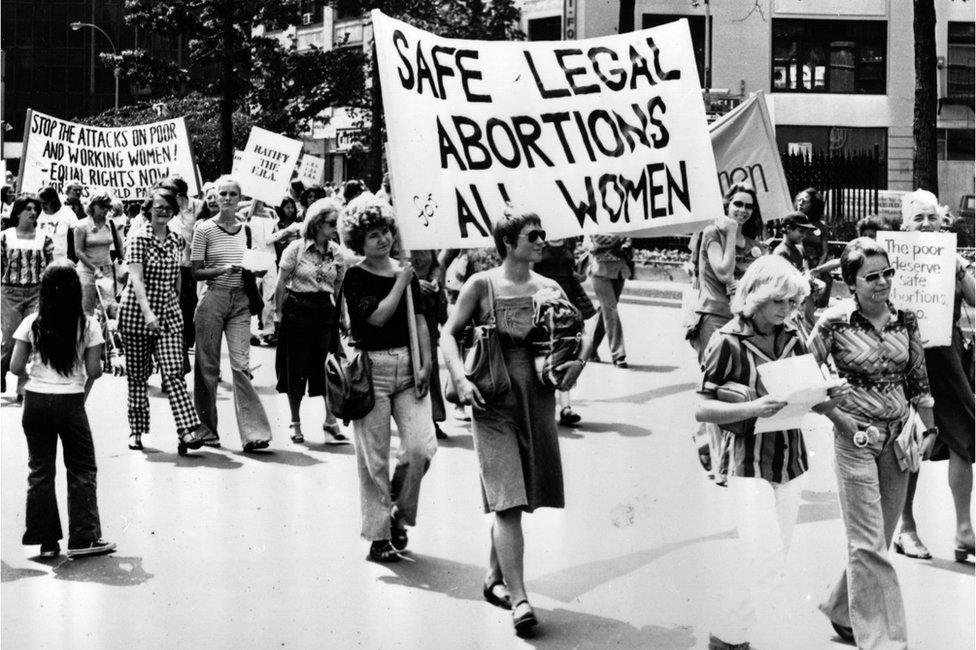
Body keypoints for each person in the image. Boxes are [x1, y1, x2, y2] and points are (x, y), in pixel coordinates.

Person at [441, 211, 590, 638]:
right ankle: (520, 599)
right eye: (533, 235)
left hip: (537, 398)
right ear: (508, 242)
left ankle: (493, 576)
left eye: (544, 233)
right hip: (490, 396)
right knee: (506, 499)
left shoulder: (551, 287)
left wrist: (575, 365)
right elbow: (449, 333)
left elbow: (578, 333)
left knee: (521, 492)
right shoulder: (481, 284)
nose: (543, 240)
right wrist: (459, 378)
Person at [695, 255, 847, 650]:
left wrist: (828, 396)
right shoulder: (725, 341)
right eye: (780, 302)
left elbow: (806, 393)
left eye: (793, 303)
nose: (787, 311)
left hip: (790, 460)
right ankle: (746, 638)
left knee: (772, 558)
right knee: (764, 560)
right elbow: (702, 407)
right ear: (756, 296)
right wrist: (750, 409)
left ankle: (728, 634)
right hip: (747, 462)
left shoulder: (794, 336)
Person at [807, 237, 937, 648]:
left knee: (875, 538)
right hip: (856, 439)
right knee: (867, 542)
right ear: (851, 283)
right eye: (871, 277)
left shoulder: (907, 320)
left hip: (898, 439)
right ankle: (884, 641)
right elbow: (804, 378)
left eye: (887, 274)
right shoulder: (832, 323)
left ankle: (840, 608)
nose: (882, 283)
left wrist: (929, 429)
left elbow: (919, 380)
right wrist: (838, 417)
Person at [338, 199, 437, 564]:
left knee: (420, 449)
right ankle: (379, 537)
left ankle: (398, 514)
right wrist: (400, 283)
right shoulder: (356, 276)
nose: (382, 240)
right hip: (372, 370)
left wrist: (426, 364)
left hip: (409, 367)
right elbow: (377, 318)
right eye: (372, 235)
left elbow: (422, 321)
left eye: (386, 232)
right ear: (358, 243)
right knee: (373, 459)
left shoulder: (405, 270)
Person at [9, 261, 115, 558]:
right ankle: (83, 538)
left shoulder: (32, 322)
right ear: (75, 291)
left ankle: (46, 541)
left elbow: (16, 366)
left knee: (40, 469)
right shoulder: (88, 324)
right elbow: (93, 371)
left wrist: (37, 376)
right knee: (81, 467)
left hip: (36, 401)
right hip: (70, 401)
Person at [893, 189, 976, 562]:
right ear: (904, 225)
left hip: (947, 358)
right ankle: (905, 527)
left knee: (963, 434)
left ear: (943, 221)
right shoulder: (892, 258)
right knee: (910, 439)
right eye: (918, 218)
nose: (926, 224)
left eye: (932, 217)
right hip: (902, 357)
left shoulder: (951, 260)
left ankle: (964, 530)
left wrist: (959, 268)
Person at [688, 182, 766, 485]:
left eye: (748, 206)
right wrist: (731, 233)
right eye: (737, 204)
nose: (742, 211)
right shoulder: (713, 233)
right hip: (712, 319)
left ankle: (703, 438)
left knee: (737, 389)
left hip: (740, 321)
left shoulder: (754, 244)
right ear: (726, 205)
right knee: (718, 389)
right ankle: (722, 467)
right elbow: (722, 271)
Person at [118, 187, 205, 454]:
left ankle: (187, 430)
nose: (164, 211)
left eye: (169, 207)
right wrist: (148, 313)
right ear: (148, 209)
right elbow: (136, 280)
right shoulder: (138, 238)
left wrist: (174, 305)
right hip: (137, 315)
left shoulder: (177, 240)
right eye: (159, 207)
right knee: (137, 376)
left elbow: (177, 277)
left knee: (173, 373)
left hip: (168, 315)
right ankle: (136, 430)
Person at [191, 175, 273, 452]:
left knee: (241, 365)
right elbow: (195, 271)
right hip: (213, 298)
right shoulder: (204, 229)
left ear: (240, 198)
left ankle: (253, 433)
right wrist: (221, 269)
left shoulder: (246, 229)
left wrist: (256, 269)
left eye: (232, 194)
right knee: (208, 367)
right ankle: (206, 429)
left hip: (240, 301)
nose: (227, 198)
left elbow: (250, 261)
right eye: (222, 194)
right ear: (214, 198)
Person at [274, 197, 349, 445]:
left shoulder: (337, 252)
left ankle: (330, 420)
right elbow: (280, 283)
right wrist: (277, 314)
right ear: (316, 223)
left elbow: (339, 289)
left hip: (324, 313)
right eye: (331, 223)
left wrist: (343, 318)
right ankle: (295, 421)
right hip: (298, 311)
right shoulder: (295, 249)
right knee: (296, 369)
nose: (335, 228)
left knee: (327, 367)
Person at [534, 236, 596, 425]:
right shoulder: (538, 242)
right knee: (543, 352)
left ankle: (566, 408)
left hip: (567, 300)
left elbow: (574, 273)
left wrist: (582, 271)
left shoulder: (568, 241)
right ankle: (544, 407)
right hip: (545, 301)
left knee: (566, 352)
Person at [1, 196, 54, 399]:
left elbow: (50, 266)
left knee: (32, 339)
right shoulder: (5, 237)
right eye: (28, 209)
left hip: (36, 292)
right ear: (18, 212)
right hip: (10, 293)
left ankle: (23, 385)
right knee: (10, 340)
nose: (33, 212)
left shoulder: (44, 237)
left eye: (35, 209)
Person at [410, 248, 449, 439]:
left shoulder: (425, 240)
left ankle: (432, 419)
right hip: (405, 308)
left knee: (430, 362)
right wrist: (415, 283)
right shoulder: (396, 241)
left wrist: (433, 280)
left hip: (428, 307)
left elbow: (436, 264)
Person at [587, 233, 632, 367]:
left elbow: (628, 241)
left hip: (618, 272)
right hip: (599, 272)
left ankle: (589, 349)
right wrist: (614, 244)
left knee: (606, 311)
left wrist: (623, 245)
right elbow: (590, 246)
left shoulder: (621, 223)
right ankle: (618, 355)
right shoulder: (592, 224)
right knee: (611, 310)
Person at [73, 189, 119, 317]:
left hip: (107, 270)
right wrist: (94, 269)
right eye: (102, 206)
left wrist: (122, 263)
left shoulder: (110, 223)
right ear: (93, 205)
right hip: (87, 271)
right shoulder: (81, 225)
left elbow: (119, 245)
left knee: (110, 309)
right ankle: (88, 335)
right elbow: (78, 251)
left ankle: (106, 336)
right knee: (86, 310)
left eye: (108, 206)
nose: (105, 209)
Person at [795, 188, 833, 308]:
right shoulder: (793, 222)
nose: (800, 203)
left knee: (826, 280)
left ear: (814, 205)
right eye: (799, 200)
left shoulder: (820, 226)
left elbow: (825, 251)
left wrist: (818, 270)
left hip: (816, 264)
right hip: (798, 264)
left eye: (805, 201)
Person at [36, 186, 79, 261]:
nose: (42, 206)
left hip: (60, 261)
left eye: (45, 203)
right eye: (40, 203)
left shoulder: (67, 212)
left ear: (53, 200)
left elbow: (78, 234)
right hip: (39, 259)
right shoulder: (36, 213)